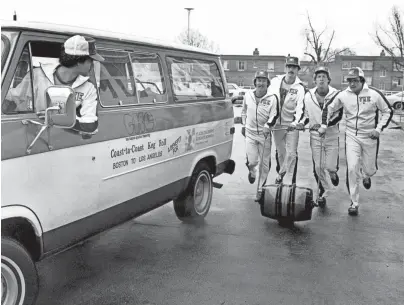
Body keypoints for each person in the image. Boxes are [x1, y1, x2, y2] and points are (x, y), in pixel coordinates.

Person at [318, 67, 393, 215]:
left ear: (362, 80)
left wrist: (378, 129)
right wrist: (324, 125)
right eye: (350, 81)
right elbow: (329, 108)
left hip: (370, 136)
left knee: (370, 169)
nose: (352, 84)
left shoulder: (374, 94)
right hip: (351, 136)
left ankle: (366, 175)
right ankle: (354, 202)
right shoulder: (343, 95)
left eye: (355, 81)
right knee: (352, 168)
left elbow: (388, 111)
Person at [4, 35, 104, 133]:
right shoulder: (37, 75)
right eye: (90, 61)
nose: (92, 65)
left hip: (62, 140)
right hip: (30, 135)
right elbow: (12, 97)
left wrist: (55, 118)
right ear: (79, 61)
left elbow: (90, 125)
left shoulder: (88, 88)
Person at [292, 66, 342, 206]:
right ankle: (324, 191)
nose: (321, 79)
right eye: (318, 77)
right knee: (318, 167)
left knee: (330, 166)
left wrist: (325, 126)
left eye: (324, 77)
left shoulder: (336, 95)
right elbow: (305, 115)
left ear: (328, 80)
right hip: (315, 137)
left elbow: (339, 115)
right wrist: (301, 123)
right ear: (314, 80)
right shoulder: (308, 96)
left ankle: (332, 174)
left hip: (331, 136)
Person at [241, 70, 279, 201]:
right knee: (252, 161)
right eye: (258, 80)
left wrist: (268, 126)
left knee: (264, 165)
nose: (261, 83)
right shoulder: (248, 95)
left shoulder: (273, 97)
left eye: (263, 81)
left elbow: (275, 115)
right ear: (255, 82)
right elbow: (244, 112)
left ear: (267, 83)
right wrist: (243, 124)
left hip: (265, 135)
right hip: (250, 134)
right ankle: (252, 171)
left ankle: (260, 190)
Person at [269, 55, 306, 185]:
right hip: (277, 124)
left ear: (297, 70)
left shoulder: (300, 88)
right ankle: (282, 175)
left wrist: (296, 123)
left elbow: (301, 107)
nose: (291, 69)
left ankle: (287, 179)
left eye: (294, 67)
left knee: (292, 154)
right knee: (281, 153)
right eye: (289, 66)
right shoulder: (275, 81)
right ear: (286, 68)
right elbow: (268, 99)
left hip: (291, 125)